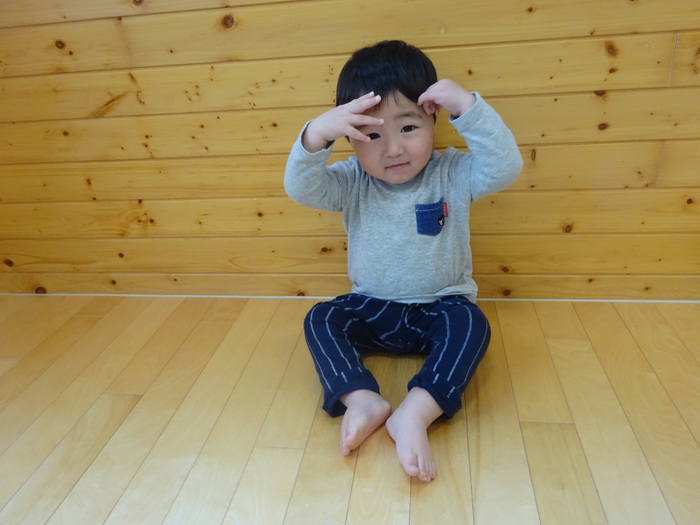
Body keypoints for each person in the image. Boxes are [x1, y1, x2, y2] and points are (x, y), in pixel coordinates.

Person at [284, 40, 522, 482]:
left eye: (408, 127)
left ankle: (417, 410)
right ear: (351, 137)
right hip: (371, 306)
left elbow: (505, 167)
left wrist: (468, 108)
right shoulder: (351, 180)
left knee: (472, 324)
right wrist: (317, 132)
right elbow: (301, 188)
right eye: (373, 135)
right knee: (321, 317)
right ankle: (362, 399)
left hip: (440, 307)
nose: (392, 149)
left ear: (433, 118)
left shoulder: (453, 172)